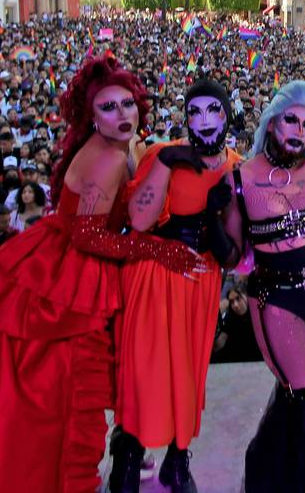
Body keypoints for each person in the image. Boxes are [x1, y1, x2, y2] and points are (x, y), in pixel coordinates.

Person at [0, 54, 199, 493]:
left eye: (128, 103)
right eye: (109, 107)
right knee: (62, 393)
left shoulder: (115, 147)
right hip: (71, 279)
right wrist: (158, 250)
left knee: (33, 392)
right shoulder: (108, 159)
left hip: (59, 262)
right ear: (90, 115)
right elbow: (89, 238)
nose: (123, 114)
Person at [112, 79, 240, 493]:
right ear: (185, 117)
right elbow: (140, 219)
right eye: (195, 111)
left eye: (213, 110)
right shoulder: (160, 154)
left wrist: (214, 218)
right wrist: (168, 161)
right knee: (142, 372)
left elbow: (234, 254)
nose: (204, 121)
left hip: (201, 284)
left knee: (188, 376)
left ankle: (177, 462)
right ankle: (127, 461)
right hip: (152, 277)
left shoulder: (237, 165)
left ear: (226, 113)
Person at [217, 80, 305, 492]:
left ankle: (271, 475)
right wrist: (209, 223)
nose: (299, 131)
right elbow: (234, 257)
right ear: (272, 122)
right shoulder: (240, 179)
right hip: (277, 299)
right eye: (291, 119)